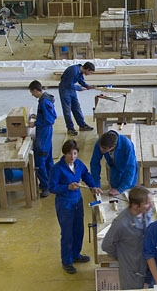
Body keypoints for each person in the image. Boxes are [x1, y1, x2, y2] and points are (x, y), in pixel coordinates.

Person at [50, 139, 102, 274]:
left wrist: (93, 187)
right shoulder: (57, 168)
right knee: (67, 233)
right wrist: (67, 187)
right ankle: (66, 261)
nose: (72, 157)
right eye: (69, 154)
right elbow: (52, 187)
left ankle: (76, 254)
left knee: (79, 230)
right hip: (65, 204)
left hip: (77, 202)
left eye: (74, 153)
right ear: (64, 154)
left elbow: (86, 175)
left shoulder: (78, 164)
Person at [29, 80, 58, 198]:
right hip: (46, 132)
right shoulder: (45, 99)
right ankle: (51, 182)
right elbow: (48, 115)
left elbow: (51, 119)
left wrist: (36, 123)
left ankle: (46, 186)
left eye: (32, 93)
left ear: (36, 90)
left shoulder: (44, 102)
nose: (33, 95)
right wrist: (38, 116)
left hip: (44, 132)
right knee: (48, 159)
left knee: (40, 159)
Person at [90, 130, 139, 196]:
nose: (101, 149)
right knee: (113, 193)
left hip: (127, 171)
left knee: (127, 193)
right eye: (100, 147)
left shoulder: (127, 145)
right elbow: (94, 164)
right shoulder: (100, 142)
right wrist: (96, 185)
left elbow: (130, 168)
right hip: (114, 168)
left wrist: (121, 189)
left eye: (104, 148)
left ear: (113, 146)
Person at [58, 62, 96, 136]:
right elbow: (68, 84)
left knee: (76, 107)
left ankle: (82, 125)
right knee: (67, 110)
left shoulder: (80, 71)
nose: (89, 74)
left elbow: (81, 81)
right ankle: (70, 128)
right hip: (65, 89)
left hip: (71, 89)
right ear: (87, 69)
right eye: (90, 72)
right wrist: (79, 88)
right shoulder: (74, 70)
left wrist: (88, 86)